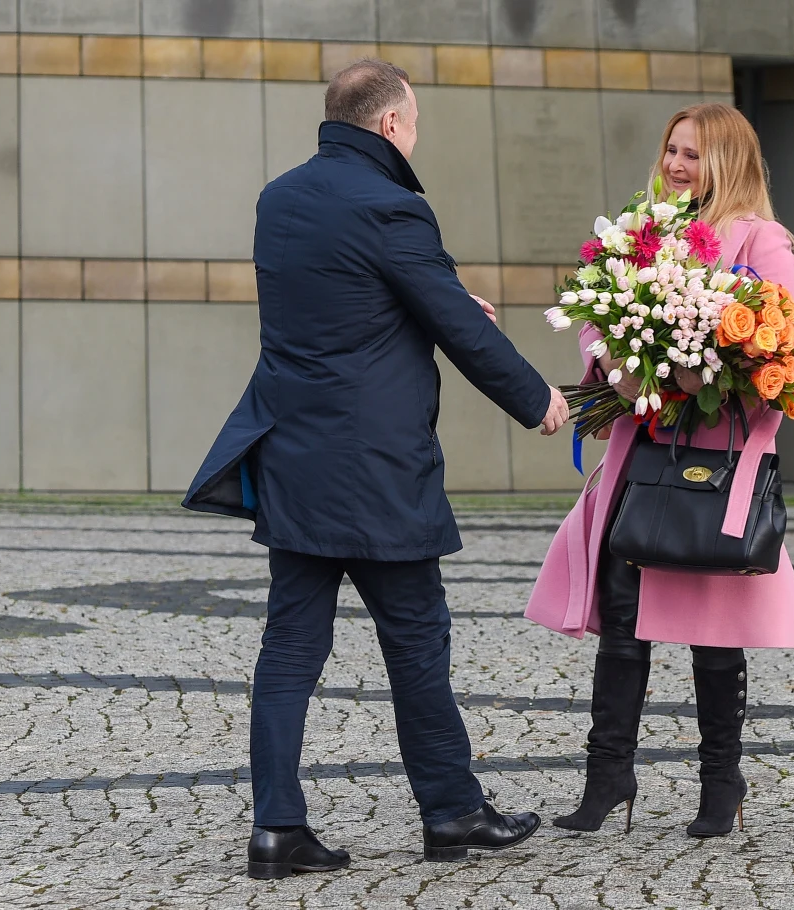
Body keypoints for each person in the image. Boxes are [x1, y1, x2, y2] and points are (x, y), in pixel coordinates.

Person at [183, 59, 570, 878]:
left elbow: (345, 306)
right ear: (391, 124)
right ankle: (454, 812)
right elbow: (455, 332)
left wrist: (443, 297)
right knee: (417, 640)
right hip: (377, 469)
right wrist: (536, 398)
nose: (415, 134)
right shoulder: (396, 205)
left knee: (290, 645)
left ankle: (277, 830)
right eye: (415, 121)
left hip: (293, 455)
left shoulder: (280, 198)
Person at [525, 103, 794, 838]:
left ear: (729, 162)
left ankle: (722, 781)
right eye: (673, 150)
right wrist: (618, 357)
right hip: (642, 449)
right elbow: (606, 324)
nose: (678, 165)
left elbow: (781, 353)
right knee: (622, 617)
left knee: (714, 630)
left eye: (694, 154)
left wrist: (697, 368)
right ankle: (608, 778)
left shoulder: (765, 241)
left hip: (713, 461)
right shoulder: (652, 232)